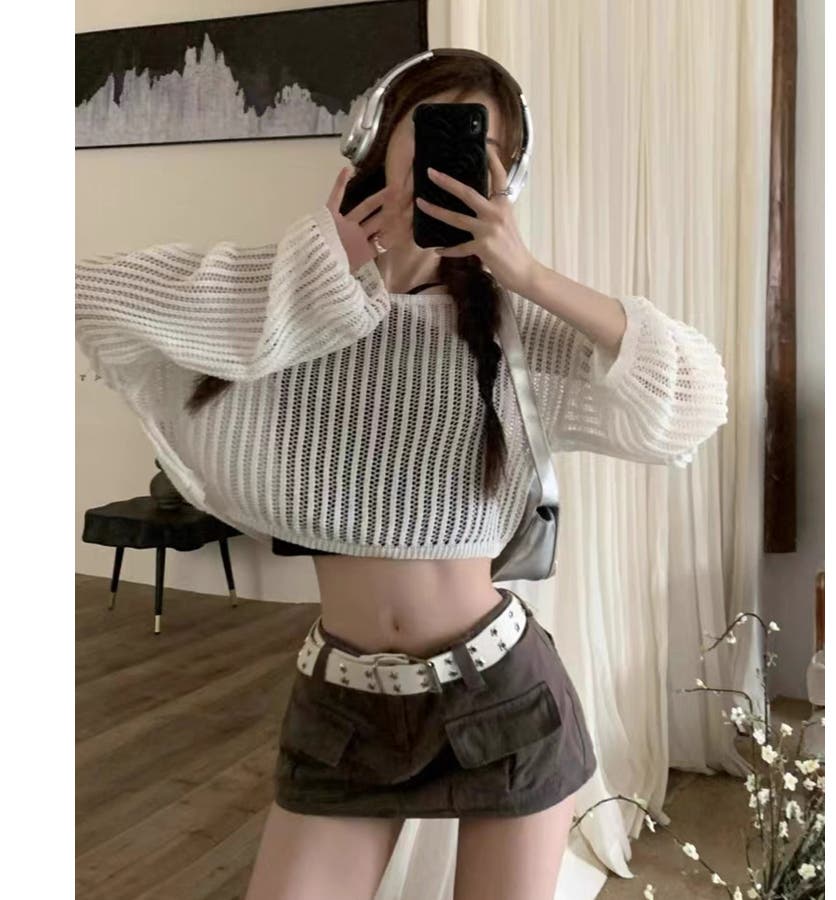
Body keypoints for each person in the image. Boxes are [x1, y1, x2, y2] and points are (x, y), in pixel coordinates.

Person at [75, 50, 728, 900]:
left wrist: (527, 273)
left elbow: (691, 399)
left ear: (507, 176)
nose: (449, 160)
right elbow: (86, 298)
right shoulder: (296, 308)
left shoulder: (513, 329)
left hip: (501, 696)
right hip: (341, 704)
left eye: (481, 146)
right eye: (432, 130)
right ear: (377, 144)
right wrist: (319, 263)